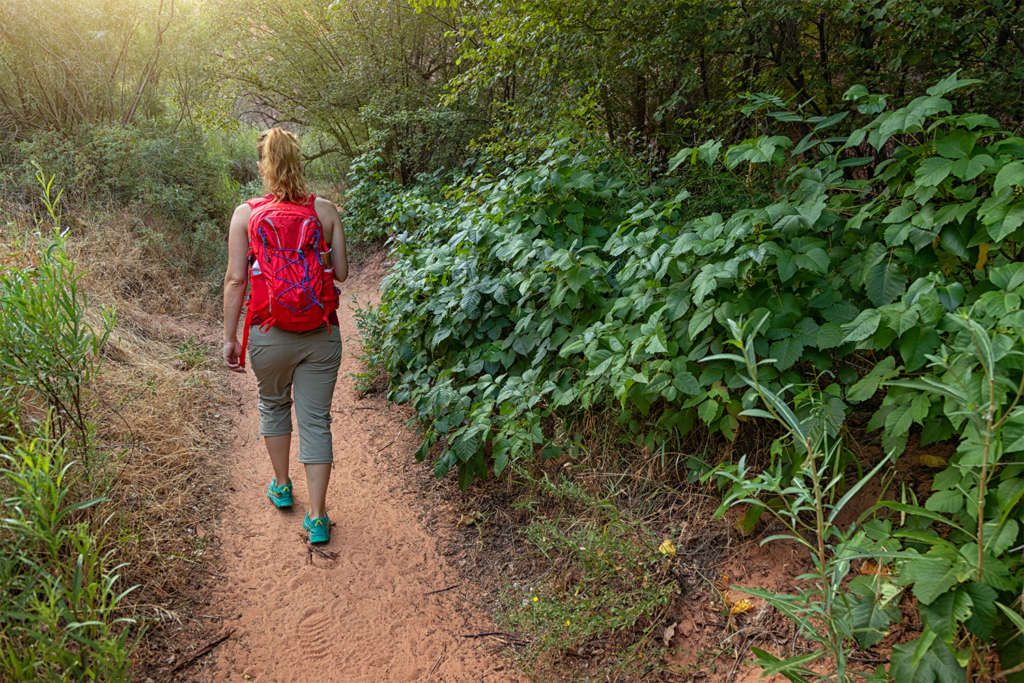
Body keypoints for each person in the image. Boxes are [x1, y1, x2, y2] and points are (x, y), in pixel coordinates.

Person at [222, 128, 348, 544]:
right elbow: (342, 273)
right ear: (299, 163)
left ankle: (281, 485)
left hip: (267, 332)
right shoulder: (325, 210)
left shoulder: (245, 214)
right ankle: (317, 516)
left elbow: (236, 280)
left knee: (273, 405)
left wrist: (230, 338)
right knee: (316, 422)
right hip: (320, 333)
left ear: (263, 167)